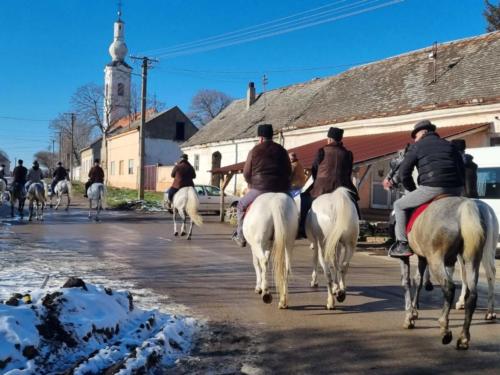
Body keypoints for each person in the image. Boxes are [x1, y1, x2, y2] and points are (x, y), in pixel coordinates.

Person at [389, 120, 465, 257]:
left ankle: (402, 244)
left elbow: (403, 173)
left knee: (399, 205)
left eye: (415, 136)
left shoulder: (417, 147)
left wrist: (412, 190)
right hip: (456, 189)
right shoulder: (450, 145)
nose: (415, 139)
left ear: (423, 132)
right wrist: (459, 188)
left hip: (433, 187)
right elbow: (462, 169)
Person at [232, 124, 292, 247]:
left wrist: (251, 184)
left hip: (260, 188)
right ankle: (297, 231)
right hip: (281, 189)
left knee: (240, 206)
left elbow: (247, 172)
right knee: (294, 208)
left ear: (260, 138)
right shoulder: (281, 150)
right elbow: (289, 170)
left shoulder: (254, 150)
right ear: (272, 136)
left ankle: (240, 235)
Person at [298, 127, 360, 238]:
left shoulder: (321, 151)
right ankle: (358, 226)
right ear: (340, 140)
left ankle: (302, 227)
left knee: (304, 199)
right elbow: (349, 172)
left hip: (322, 188)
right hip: (343, 187)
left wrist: (318, 181)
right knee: (354, 203)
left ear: (329, 139)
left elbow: (314, 169)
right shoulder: (348, 154)